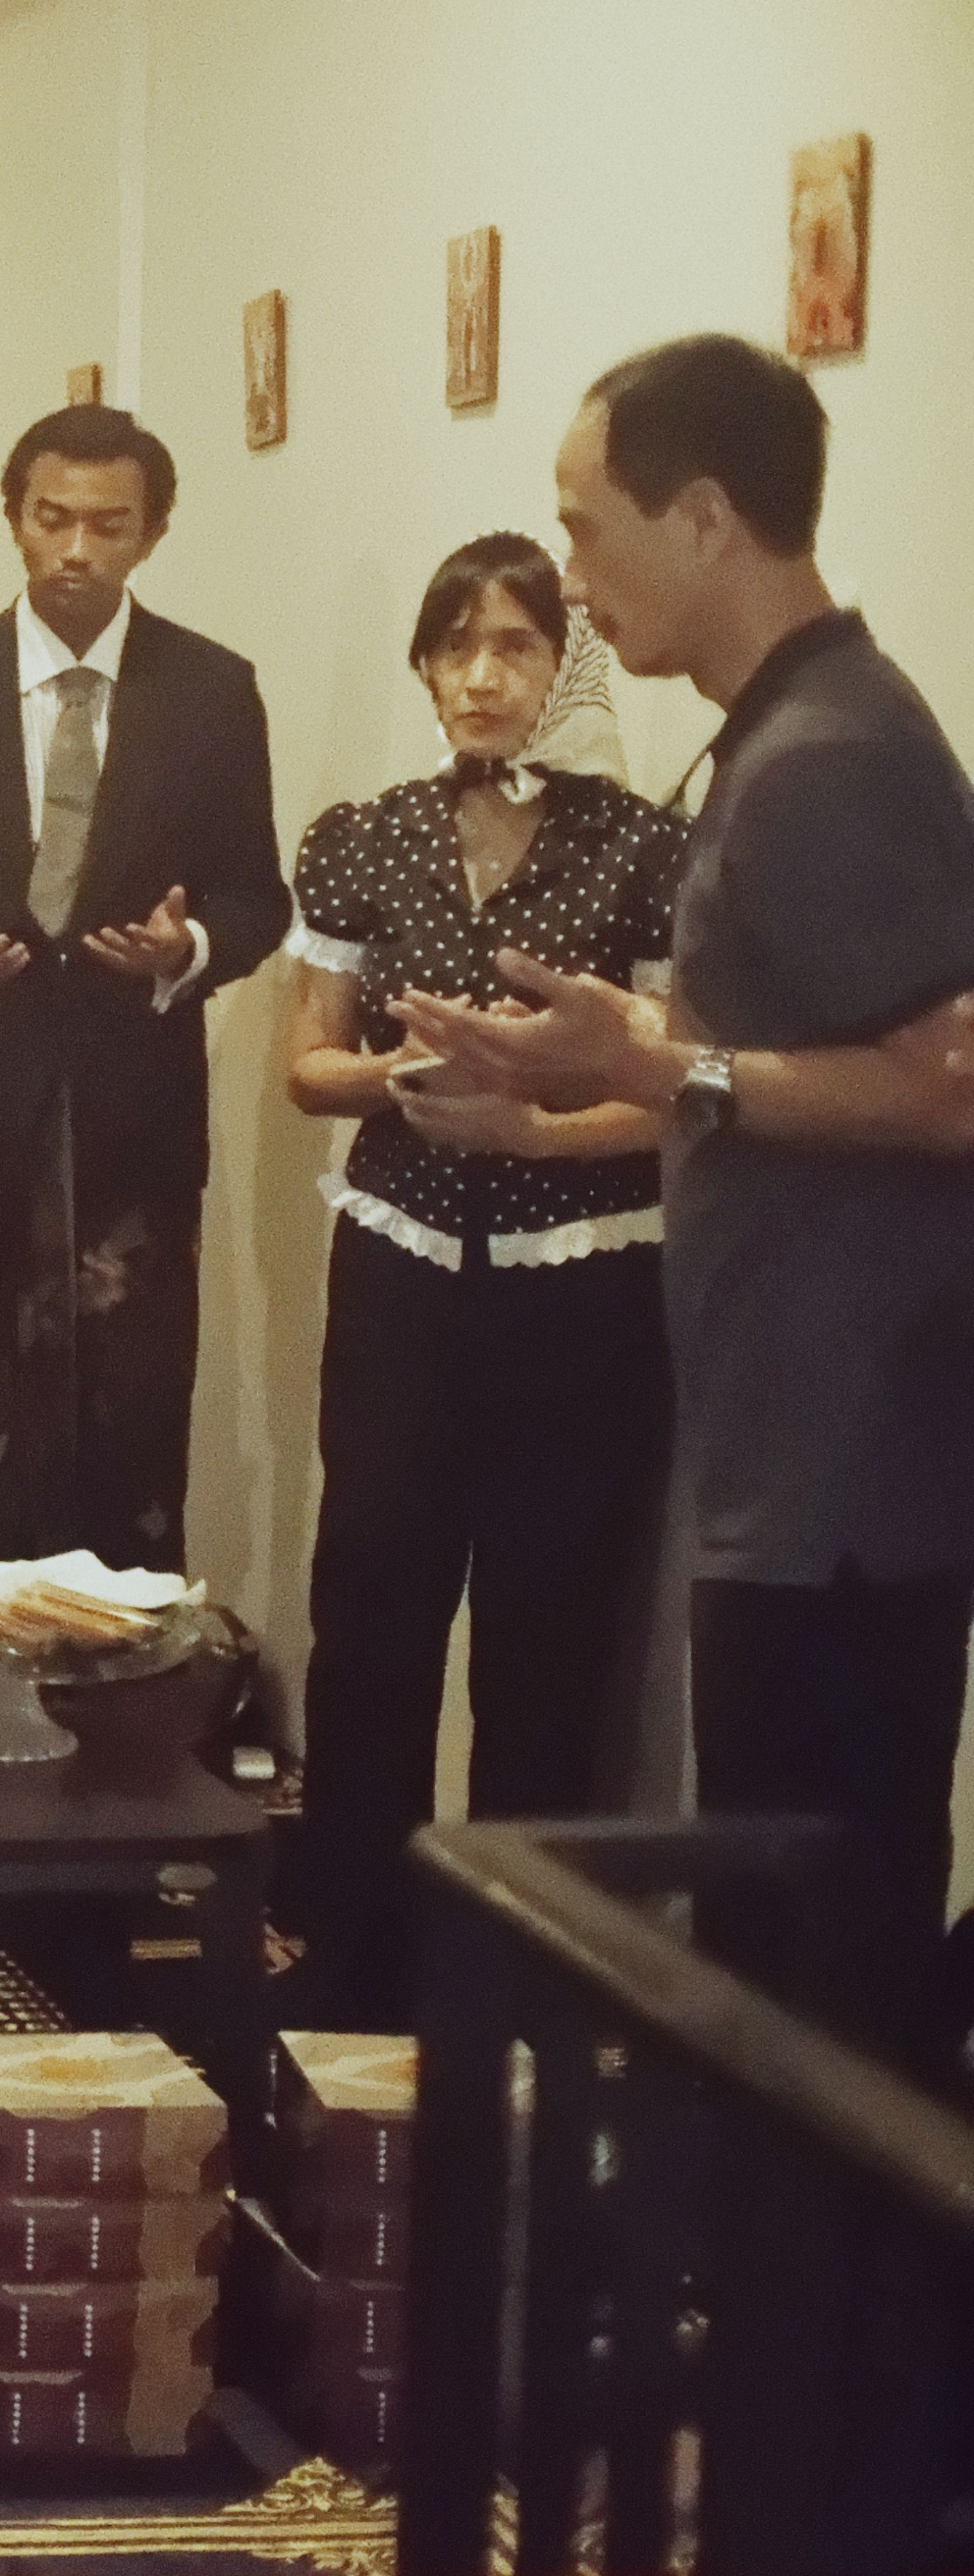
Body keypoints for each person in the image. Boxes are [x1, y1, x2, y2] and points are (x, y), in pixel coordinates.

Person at [395, 336, 974, 2072]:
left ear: (706, 515)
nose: (571, 581)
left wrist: (662, 1066)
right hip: (791, 1467)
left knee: (820, 1992)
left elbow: (948, 1088)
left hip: (846, 1483)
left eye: (586, 528)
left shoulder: (830, 756)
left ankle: (821, 2263)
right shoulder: (781, 733)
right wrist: (563, 1091)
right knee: (778, 1966)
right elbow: (767, 1082)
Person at [278, 535, 685, 2026]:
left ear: (562, 667)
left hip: (580, 1289)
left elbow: (669, 1091)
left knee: (547, 1632)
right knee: (370, 1608)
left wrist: (529, 1110)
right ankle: (352, 1952)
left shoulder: (644, 849)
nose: (482, 675)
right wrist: (401, 1072)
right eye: (456, 645)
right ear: (425, 665)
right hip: (399, 1272)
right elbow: (307, 1063)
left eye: (515, 644)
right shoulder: (362, 838)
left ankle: (510, 1978)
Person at [0, 403, 287, 1572]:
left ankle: (124, 1665)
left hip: (136, 1113)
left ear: (152, 533)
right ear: (13, 519)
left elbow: (255, 895)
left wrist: (186, 951)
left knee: (130, 1425)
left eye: (107, 525)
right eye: (52, 519)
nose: (76, 550)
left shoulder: (210, 690)